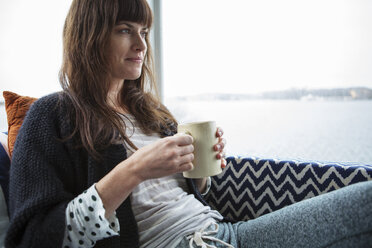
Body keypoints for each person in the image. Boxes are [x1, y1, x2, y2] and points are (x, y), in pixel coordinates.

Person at [4, 0, 372, 247]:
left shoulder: (150, 111)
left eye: (144, 32)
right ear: (88, 36)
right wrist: (133, 170)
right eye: (124, 30)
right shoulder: (52, 115)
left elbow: (186, 195)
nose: (141, 45)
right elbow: (36, 238)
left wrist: (199, 171)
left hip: (222, 233)